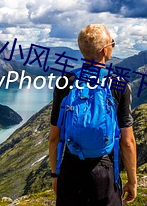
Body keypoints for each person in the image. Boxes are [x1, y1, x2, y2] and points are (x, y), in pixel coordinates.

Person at [49, 24, 137, 206]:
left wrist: (55, 174)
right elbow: (127, 141)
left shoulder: (66, 82)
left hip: (71, 169)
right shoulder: (119, 85)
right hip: (104, 171)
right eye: (113, 43)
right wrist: (132, 181)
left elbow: (54, 137)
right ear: (105, 50)